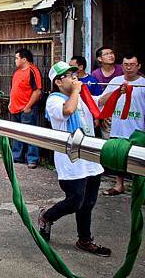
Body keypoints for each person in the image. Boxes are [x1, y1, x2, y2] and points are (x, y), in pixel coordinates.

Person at [39, 61, 110, 257]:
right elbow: (67, 111)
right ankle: (47, 216)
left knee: (88, 204)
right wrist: (76, 91)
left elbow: (100, 101)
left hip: (91, 159)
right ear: (59, 82)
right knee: (75, 200)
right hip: (71, 161)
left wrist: (118, 91)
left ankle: (84, 240)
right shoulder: (54, 100)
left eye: (74, 74)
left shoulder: (83, 96)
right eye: (70, 76)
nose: (75, 78)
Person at [97, 53, 145, 196]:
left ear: (138, 66)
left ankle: (140, 190)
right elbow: (100, 101)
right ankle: (119, 185)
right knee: (118, 157)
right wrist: (116, 92)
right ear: (122, 66)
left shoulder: (143, 84)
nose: (129, 68)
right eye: (126, 65)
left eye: (132, 65)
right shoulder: (115, 81)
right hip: (118, 127)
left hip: (138, 128)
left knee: (139, 160)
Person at [9, 48, 42, 168]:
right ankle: (17, 156)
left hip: (26, 109)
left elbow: (37, 91)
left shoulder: (32, 71)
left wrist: (28, 106)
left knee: (29, 134)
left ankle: (32, 159)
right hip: (15, 108)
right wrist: (10, 103)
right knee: (17, 133)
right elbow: (14, 89)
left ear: (24, 59)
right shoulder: (17, 72)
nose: (15, 60)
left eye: (17, 58)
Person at [91, 47, 123, 140]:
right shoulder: (95, 74)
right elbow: (96, 98)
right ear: (99, 59)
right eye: (107, 54)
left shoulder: (122, 69)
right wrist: (100, 115)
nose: (111, 55)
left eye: (111, 53)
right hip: (105, 111)